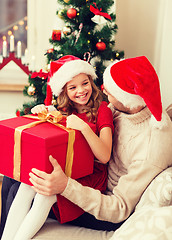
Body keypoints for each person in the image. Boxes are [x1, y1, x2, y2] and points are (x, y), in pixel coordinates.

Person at [28, 56, 172, 227]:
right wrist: (50, 110)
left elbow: (118, 208)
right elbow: (83, 114)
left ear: (125, 97)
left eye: (110, 91)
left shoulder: (149, 148)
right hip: (87, 177)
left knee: (27, 192)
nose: (103, 90)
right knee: (14, 181)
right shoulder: (123, 109)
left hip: (105, 207)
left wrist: (65, 186)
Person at [0, 55, 114, 240]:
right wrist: (43, 115)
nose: (81, 91)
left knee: (45, 196)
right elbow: (50, 144)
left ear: (91, 82)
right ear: (64, 91)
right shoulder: (64, 111)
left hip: (89, 177)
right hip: (66, 171)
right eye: (73, 87)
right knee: (28, 185)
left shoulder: (103, 109)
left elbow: (105, 156)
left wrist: (83, 127)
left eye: (85, 83)